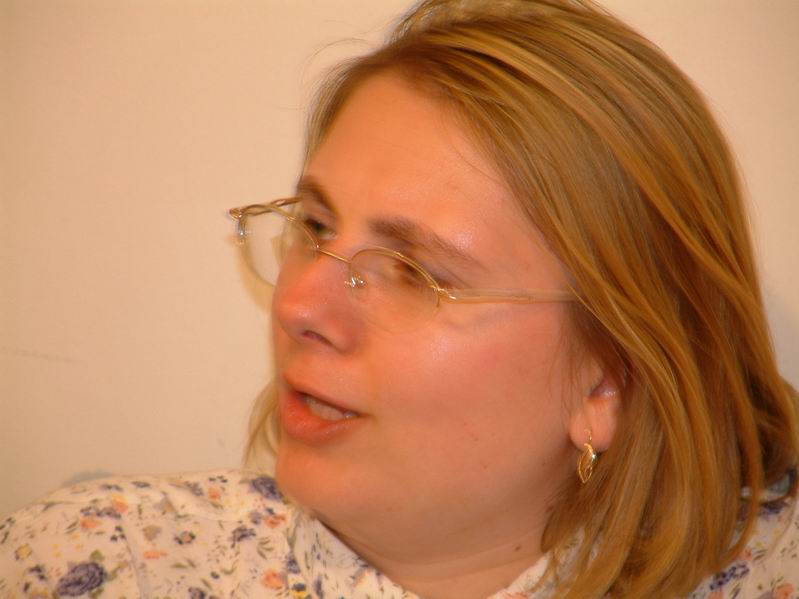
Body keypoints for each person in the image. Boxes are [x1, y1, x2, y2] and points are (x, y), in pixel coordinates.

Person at [2, 1, 797, 597]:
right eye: (315, 226)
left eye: (415, 271)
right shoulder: (99, 563)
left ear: (606, 382)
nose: (299, 305)